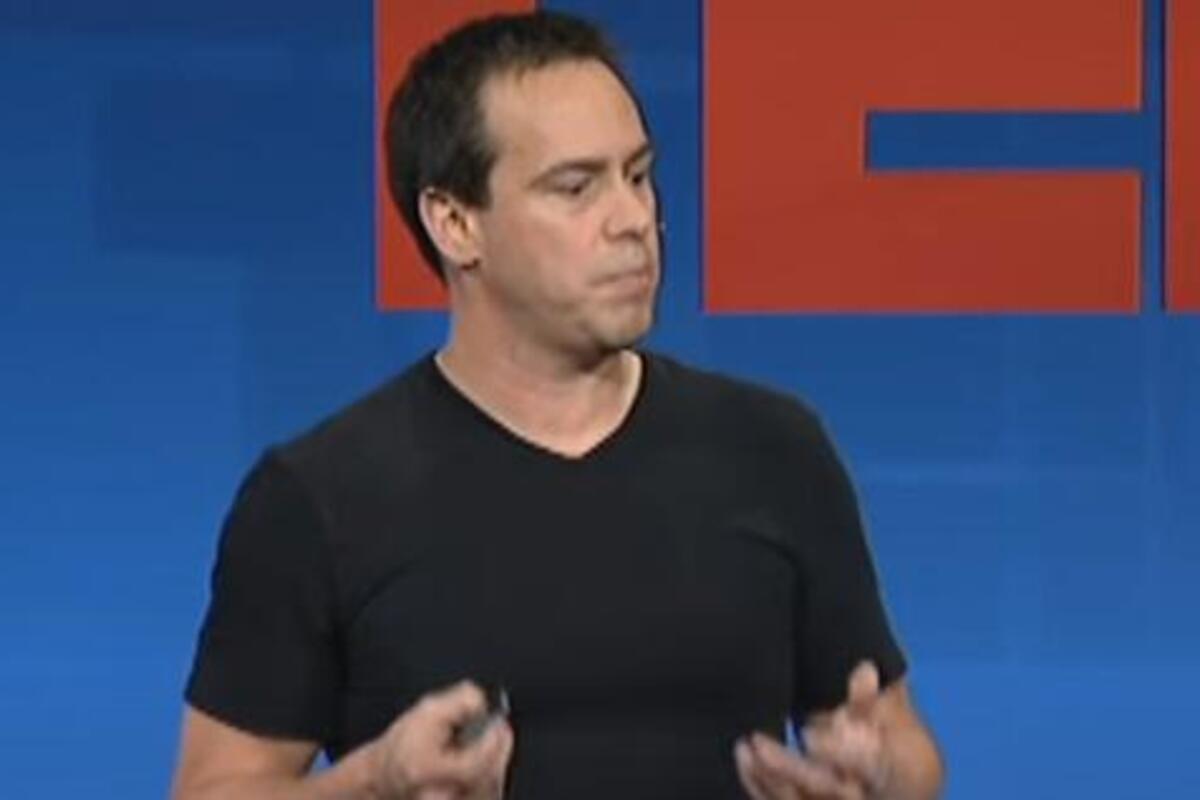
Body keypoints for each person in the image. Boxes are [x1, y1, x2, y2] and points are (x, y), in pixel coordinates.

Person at [169, 10, 944, 800]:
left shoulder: (775, 450)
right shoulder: (319, 497)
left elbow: (903, 745)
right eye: (576, 188)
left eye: (638, 176)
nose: (633, 220)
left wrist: (883, 775)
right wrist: (374, 783)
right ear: (455, 223)